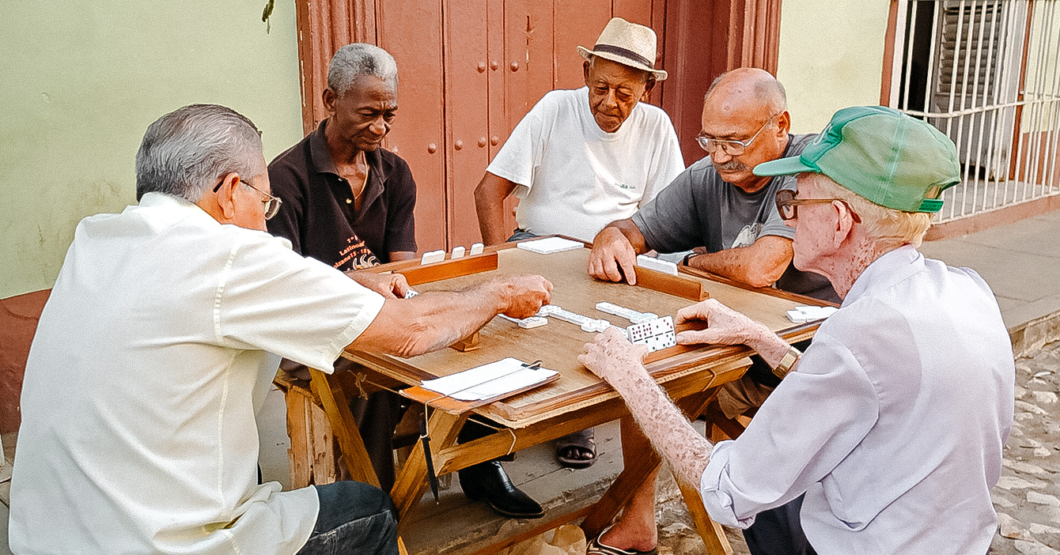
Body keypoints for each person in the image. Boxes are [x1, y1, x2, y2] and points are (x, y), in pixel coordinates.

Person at [8, 104, 552, 555]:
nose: (266, 218)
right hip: (163, 545)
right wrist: (500, 293)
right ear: (228, 190)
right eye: (263, 202)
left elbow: (225, 300)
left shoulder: (98, 240)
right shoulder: (224, 255)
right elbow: (411, 332)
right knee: (369, 510)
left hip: (47, 537)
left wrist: (352, 289)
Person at [579, 106, 1014, 554]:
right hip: (951, 537)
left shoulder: (860, 332)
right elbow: (874, 391)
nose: (786, 219)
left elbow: (728, 491)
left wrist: (634, 378)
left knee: (762, 496)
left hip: (867, 543)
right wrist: (761, 338)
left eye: (795, 203)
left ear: (841, 220)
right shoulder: (966, 290)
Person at [583, 68, 835, 554]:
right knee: (641, 371)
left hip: (804, 358)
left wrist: (690, 261)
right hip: (736, 347)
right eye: (709, 139)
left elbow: (763, 266)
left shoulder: (810, 166)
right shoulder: (708, 175)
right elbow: (629, 231)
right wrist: (610, 240)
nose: (720, 156)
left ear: (780, 125)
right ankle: (639, 522)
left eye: (735, 141)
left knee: (650, 382)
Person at [474, 16, 684, 473]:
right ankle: (499, 421)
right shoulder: (554, 109)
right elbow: (488, 192)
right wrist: (500, 265)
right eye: (601, 87)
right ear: (585, 72)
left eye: (625, 93)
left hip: (613, 257)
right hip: (537, 246)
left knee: (611, 314)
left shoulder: (656, 128)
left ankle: (577, 417)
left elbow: (667, 219)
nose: (609, 102)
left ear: (647, 87)